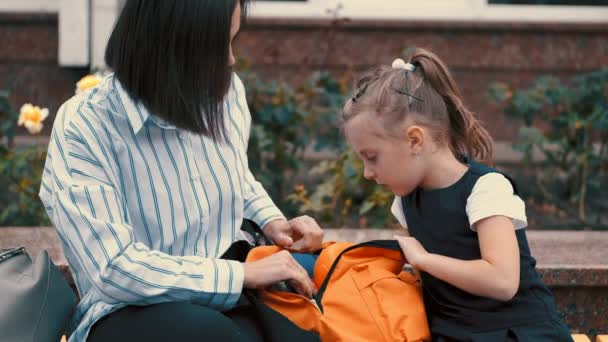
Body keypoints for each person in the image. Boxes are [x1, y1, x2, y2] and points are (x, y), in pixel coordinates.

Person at [39, 1, 323, 341]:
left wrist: (272, 222)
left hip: (229, 288)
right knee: (209, 333)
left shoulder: (225, 95)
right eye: (217, 46)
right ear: (169, 46)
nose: (230, 60)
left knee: (318, 306)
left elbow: (235, 173)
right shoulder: (86, 124)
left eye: (232, 41)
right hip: (132, 310)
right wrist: (241, 274)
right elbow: (114, 270)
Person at [341, 48, 573, 341]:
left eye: (372, 157)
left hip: (516, 333)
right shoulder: (407, 199)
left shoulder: (486, 189)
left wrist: (424, 261)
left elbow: (502, 281)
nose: (367, 173)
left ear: (414, 139)